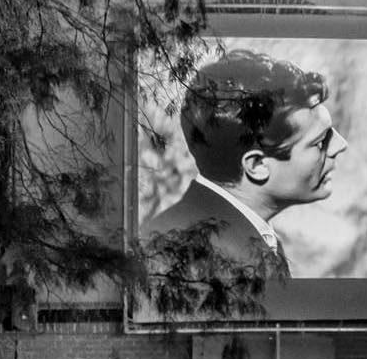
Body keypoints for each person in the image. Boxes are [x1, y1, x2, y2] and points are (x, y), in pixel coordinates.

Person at [139, 51, 343, 290]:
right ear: (256, 166)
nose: (340, 145)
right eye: (320, 142)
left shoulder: (246, 238)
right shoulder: (186, 259)